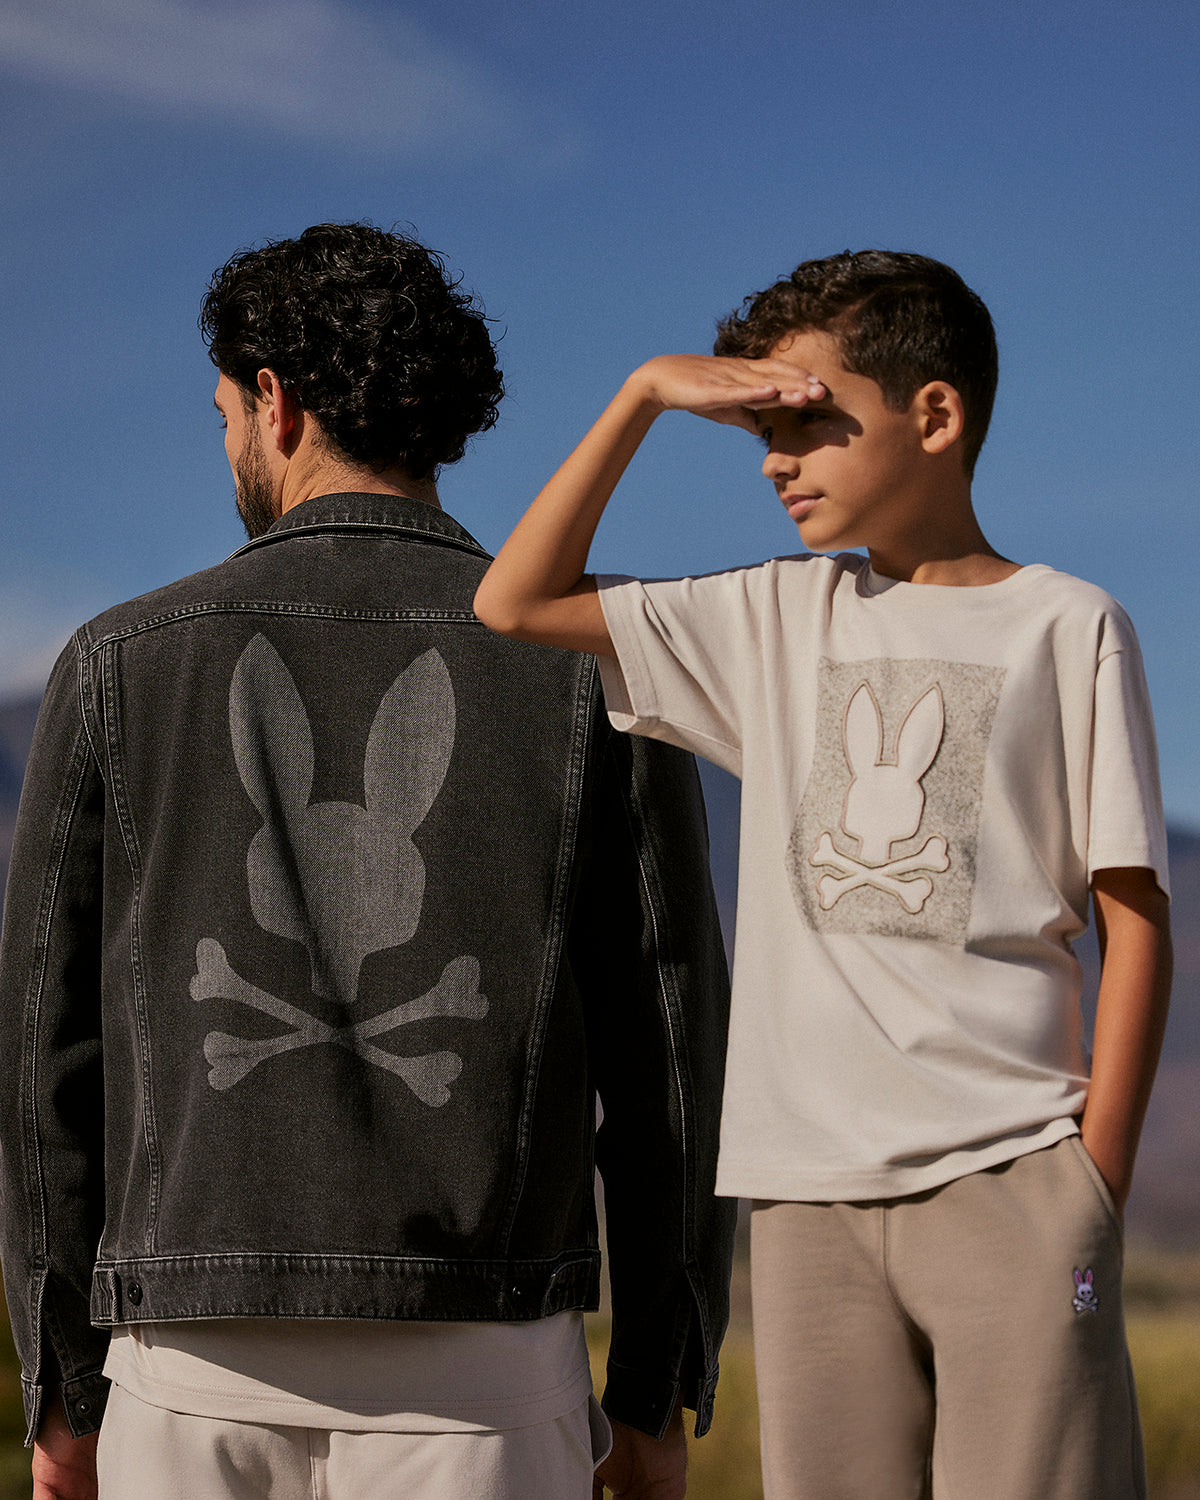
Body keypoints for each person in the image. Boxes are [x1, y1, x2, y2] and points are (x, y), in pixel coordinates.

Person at [0, 221, 736, 1500]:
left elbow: (42, 1059)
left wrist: (63, 1384)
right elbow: (672, 1050)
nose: (229, 437)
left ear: (276, 406)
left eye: (226, 411)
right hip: (491, 1379)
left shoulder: (120, 661)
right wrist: (657, 1382)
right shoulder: (597, 664)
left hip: (189, 1372)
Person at [474, 249, 1173, 1499]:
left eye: (807, 423)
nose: (773, 460)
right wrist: (640, 395)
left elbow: (1135, 915)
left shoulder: (1071, 624)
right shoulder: (777, 617)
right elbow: (514, 602)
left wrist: (1093, 1187)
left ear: (937, 414)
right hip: (802, 1200)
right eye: (761, 430)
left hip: (1016, 1179)